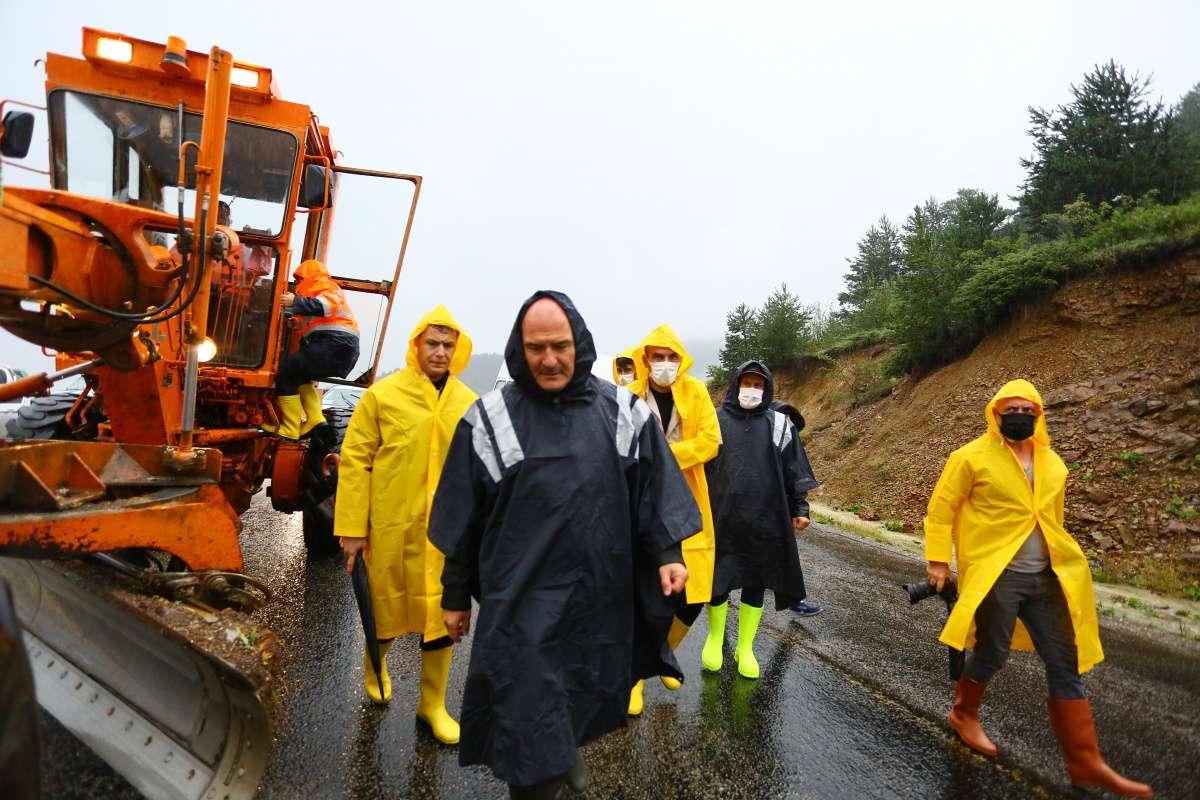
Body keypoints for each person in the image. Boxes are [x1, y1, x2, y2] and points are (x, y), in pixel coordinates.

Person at [428, 291, 698, 799]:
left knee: (579, 686)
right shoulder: (486, 420)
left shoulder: (624, 413)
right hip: (519, 601)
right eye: (535, 348)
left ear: (579, 343)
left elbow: (652, 491)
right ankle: (542, 776)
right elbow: (463, 518)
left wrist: (667, 555)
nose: (548, 359)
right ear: (518, 349)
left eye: (559, 345)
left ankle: (563, 751)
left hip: (596, 594)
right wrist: (454, 595)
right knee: (526, 716)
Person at [924, 379, 1151, 798]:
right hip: (998, 573)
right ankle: (964, 714)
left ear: (1039, 415)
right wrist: (939, 560)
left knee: (1065, 663)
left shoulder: (1053, 463)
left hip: (1047, 576)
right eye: (1011, 409)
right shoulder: (969, 457)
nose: (1020, 416)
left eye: (1028, 410)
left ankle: (1086, 763)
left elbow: (1054, 518)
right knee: (992, 651)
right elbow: (941, 508)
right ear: (995, 413)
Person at [334, 306, 476, 744]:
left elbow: (486, 467)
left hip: (445, 533)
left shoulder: (468, 403)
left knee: (442, 616)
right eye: (432, 343)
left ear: (458, 351)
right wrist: (352, 528)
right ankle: (376, 669)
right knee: (386, 604)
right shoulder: (383, 395)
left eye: (448, 345)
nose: (440, 352)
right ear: (416, 344)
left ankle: (432, 705)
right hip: (391, 524)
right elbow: (356, 462)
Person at [626, 325, 720, 714]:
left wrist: (665, 455)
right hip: (640, 503)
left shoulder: (696, 393)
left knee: (692, 594)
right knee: (640, 591)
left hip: (688, 503)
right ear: (645, 359)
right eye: (657, 357)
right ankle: (632, 677)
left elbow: (711, 442)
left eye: (672, 357)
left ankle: (663, 651)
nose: (665, 364)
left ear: (681, 361)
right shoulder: (628, 397)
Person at [701, 361, 810, 679]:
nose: (751, 389)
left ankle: (745, 647)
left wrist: (800, 508)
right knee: (718, 579)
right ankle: (715, 637)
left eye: (758, 384)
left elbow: (795, 471)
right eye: (746, 383)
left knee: (756, 579)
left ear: (767, 388)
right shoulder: (715, 420)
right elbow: (698, 467)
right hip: (721, 515)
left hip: (765, 517)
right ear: (735, 385)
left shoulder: (779, 424)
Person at [264, 259, 359, 439]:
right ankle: (315, 419)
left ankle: (290, 427)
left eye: (300, 279)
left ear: (310, 276)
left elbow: (326, 306)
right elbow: (317, 320)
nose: (298, 284)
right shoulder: (319, 292)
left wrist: (296, 301)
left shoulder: (326, 287)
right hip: (337, 347)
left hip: (335, 344)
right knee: (300, 377)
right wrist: (297, 322)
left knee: (286, 372)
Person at [769, 398, 823, 618]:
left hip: (779, 508)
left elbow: (798, 480)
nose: (786, 423)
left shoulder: (790, 442)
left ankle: (794, 599)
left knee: (785, 557)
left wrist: (800, 510)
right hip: (742, 508)